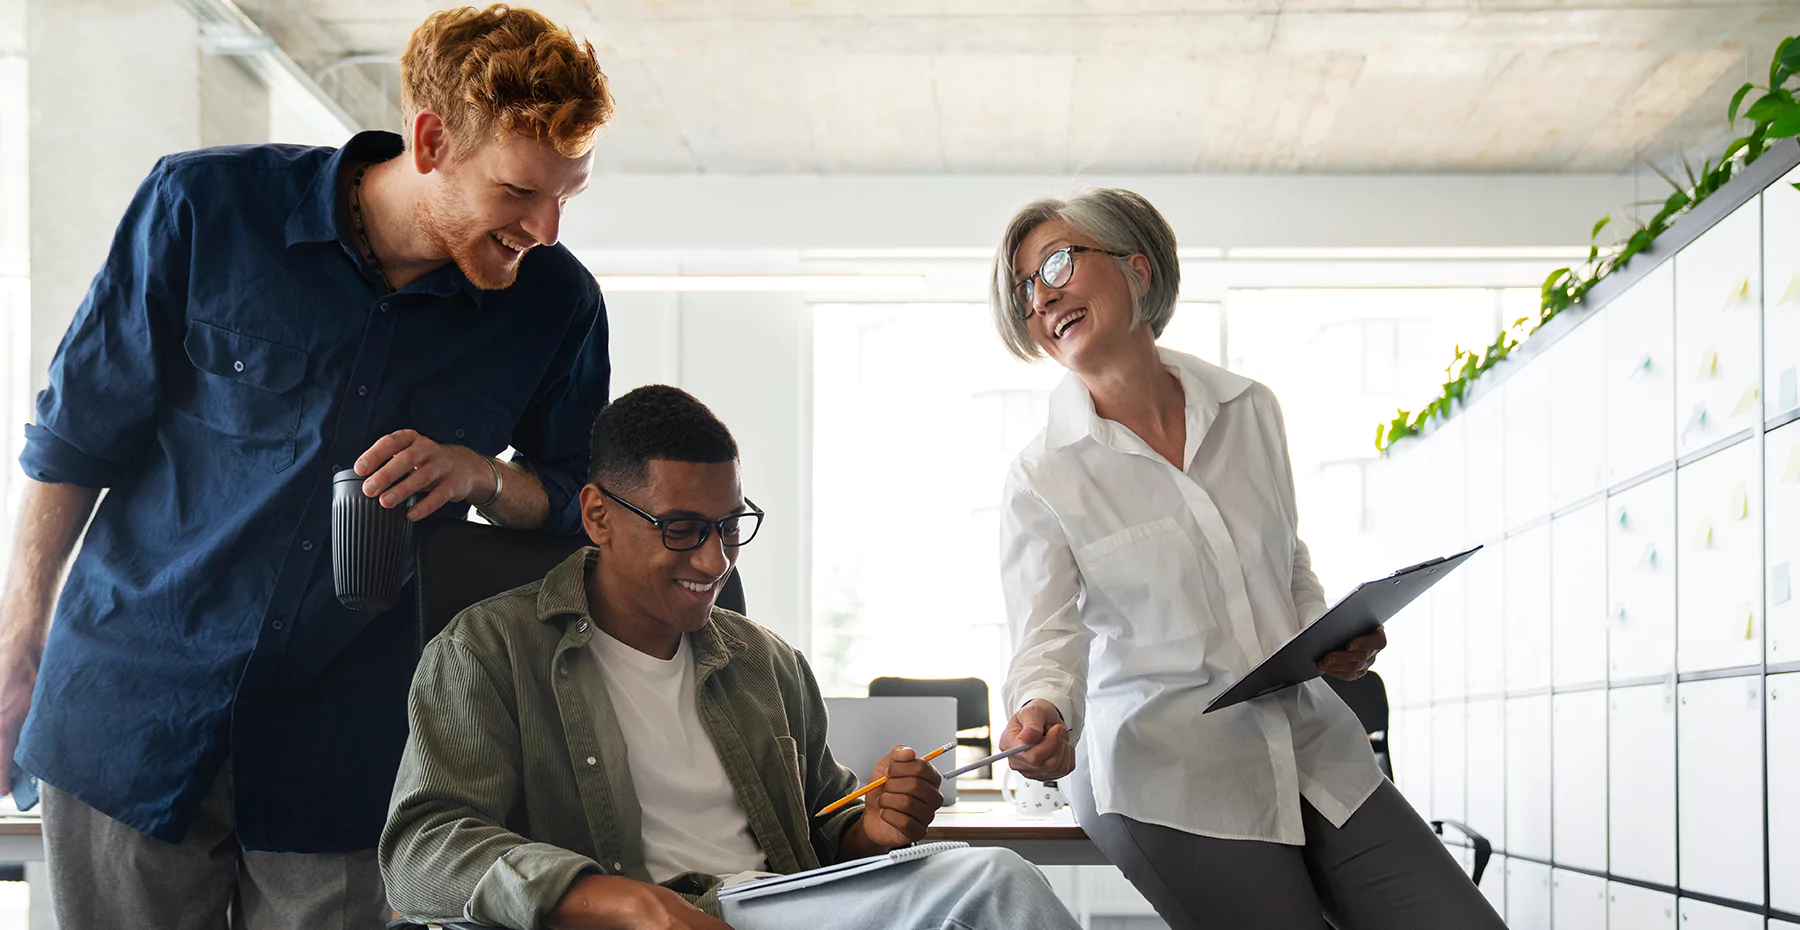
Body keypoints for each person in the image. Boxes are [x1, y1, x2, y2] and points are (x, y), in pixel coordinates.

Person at [0, 6, 615, 925]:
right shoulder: (203, 207)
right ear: (432, 141)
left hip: (349, 753)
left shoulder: (555, 306)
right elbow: (74, 438)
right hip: (131, 707)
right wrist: (18, 646)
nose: (548, 228)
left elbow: (583, 500)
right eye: (521, 192)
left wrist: (483, 477)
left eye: (570, 193)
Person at [988, 189, 1506, 929]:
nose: (1040, 298)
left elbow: (1285, 559)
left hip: (1308, 740)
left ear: (1137, 268)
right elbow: (1047, 638)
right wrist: (1040, 711)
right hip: (1165, 766)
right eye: (1023, 290)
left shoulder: (1249, 410)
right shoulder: (1042, 475)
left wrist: (1331, 636)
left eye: (1056, 265)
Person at [381, 385, 1081, 930]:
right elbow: (423, 849)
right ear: (597, 516)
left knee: (984, 881)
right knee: (994, 885)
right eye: (682, 529)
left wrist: (874, 828)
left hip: (776, 906)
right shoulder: (487, 652)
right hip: (650, 917)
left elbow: (825, 827)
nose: (715, 560)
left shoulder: (766, 663)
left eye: (729, 527)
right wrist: (625, 903)